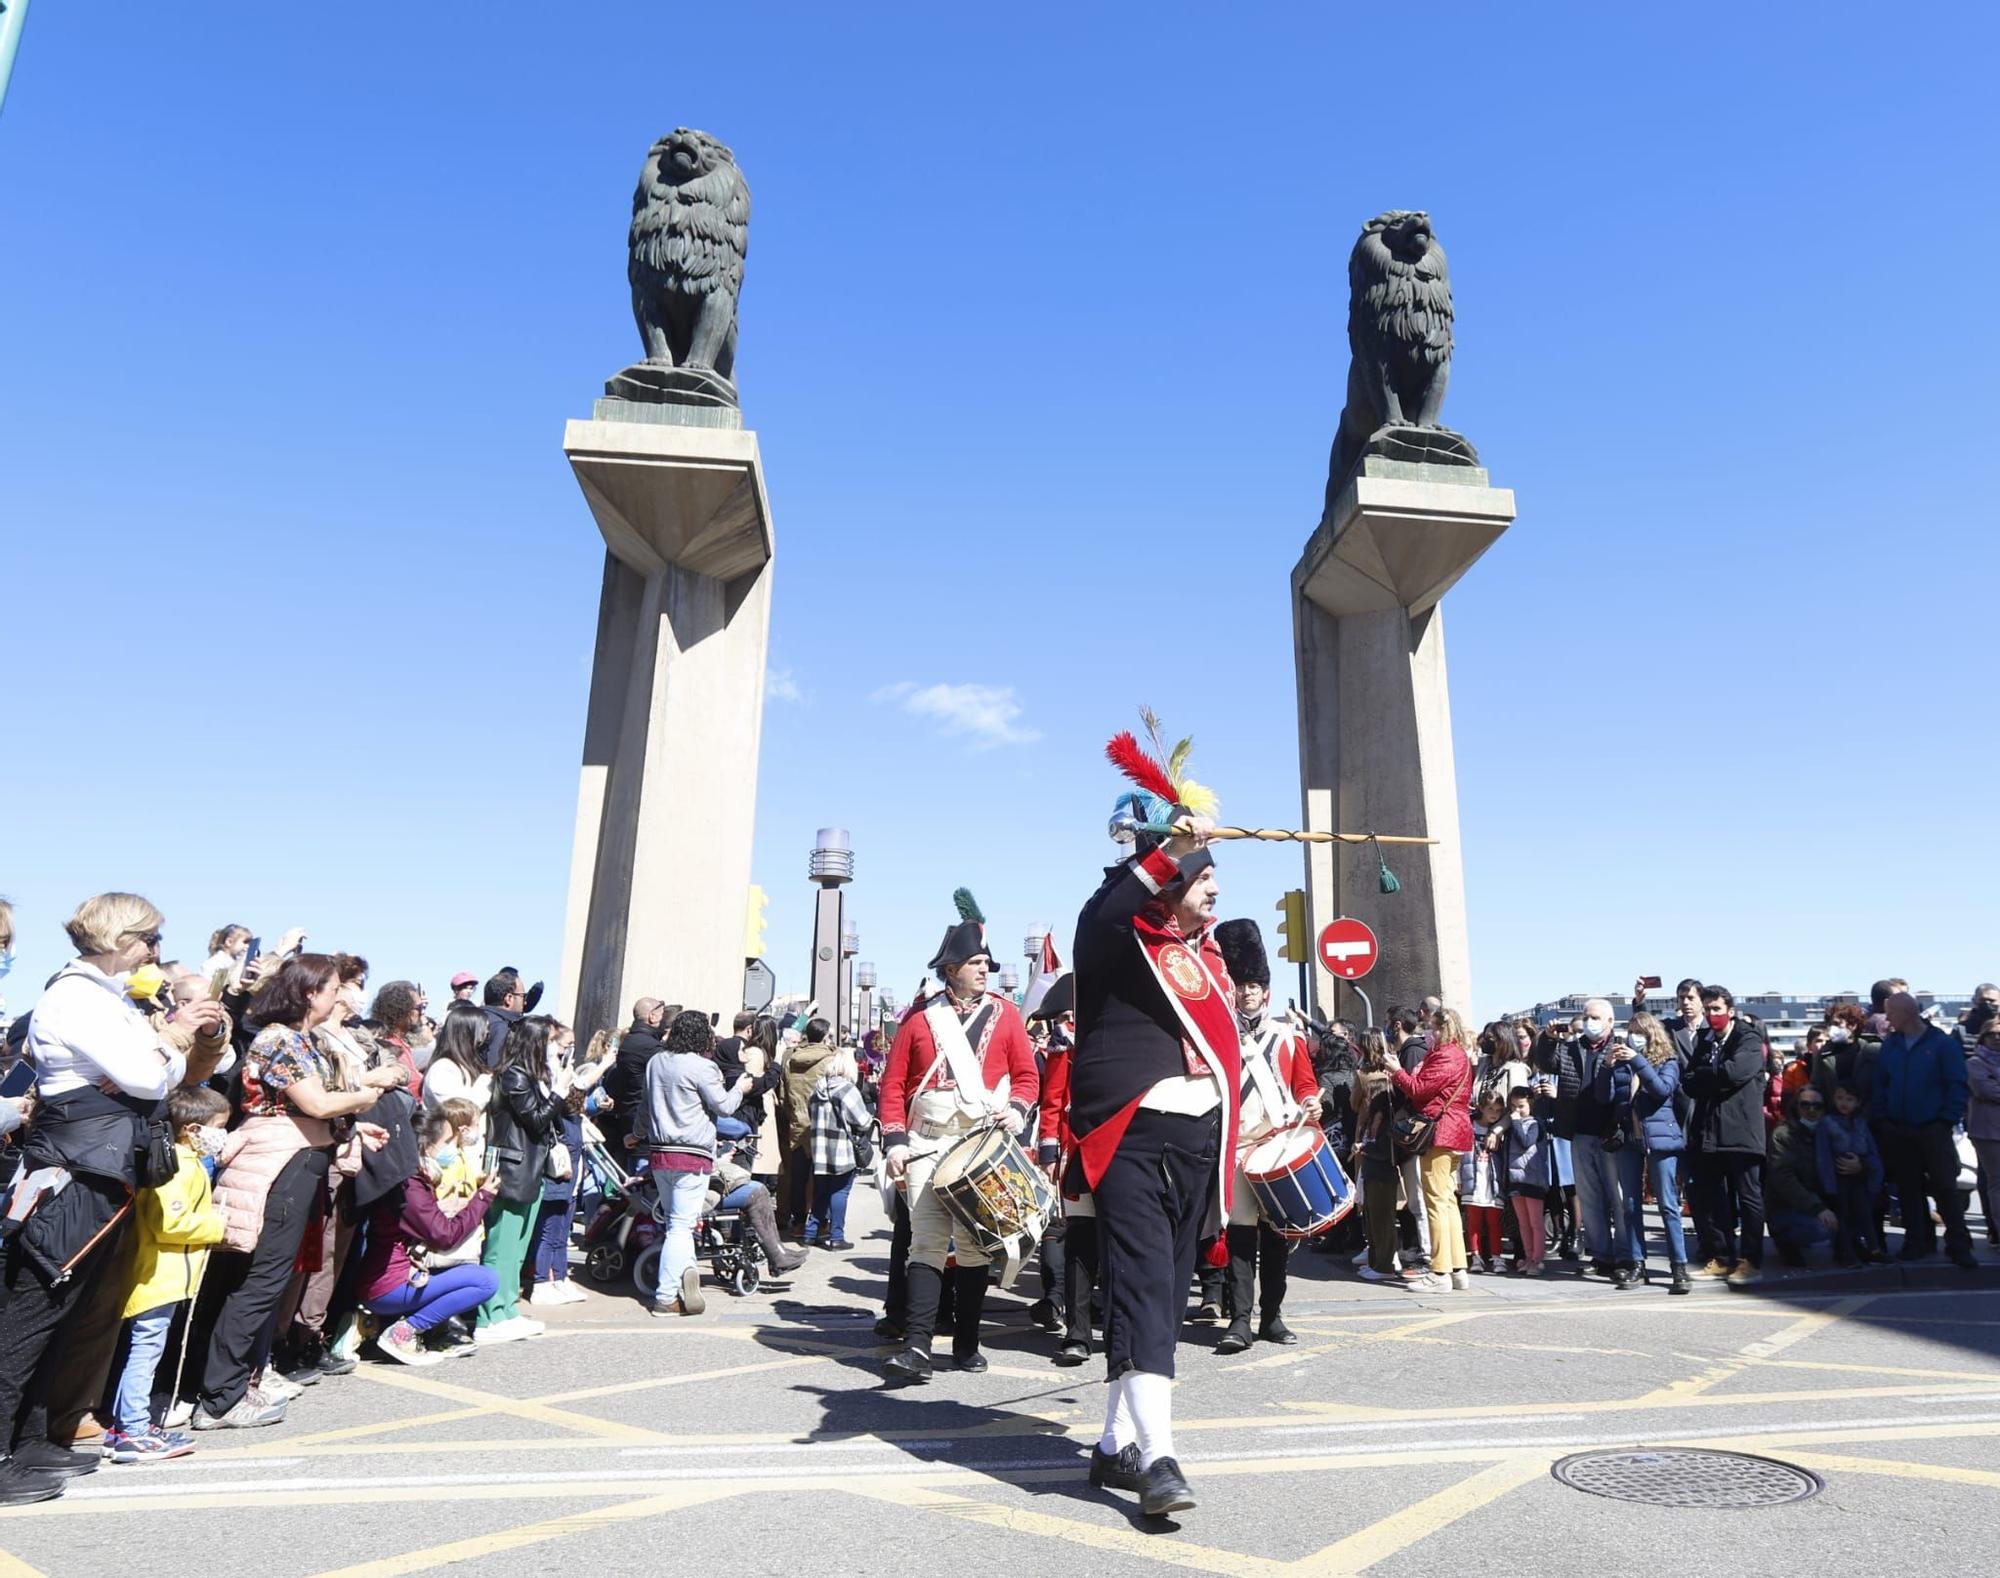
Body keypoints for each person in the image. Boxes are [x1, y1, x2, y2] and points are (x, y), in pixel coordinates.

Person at [1066, 735, 1234, 1519]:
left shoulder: (1204, 961)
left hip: (1197, 1139)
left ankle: (1110, 1446)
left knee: (1159, 1298)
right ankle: (1161, 1458)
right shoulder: (1110, 937)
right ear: (1165, 881)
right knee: (1141, 1282)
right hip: (1130, 1134)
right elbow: (1114, 904)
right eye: (1203, 875)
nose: (1214, 886)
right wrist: (1173, 845)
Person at [197, 954, 395, 1428]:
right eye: (331, 988)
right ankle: (219, 1397)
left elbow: (312, 1111)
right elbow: (316, 1102)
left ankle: (241, 1382)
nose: (339, 996)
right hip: (279, 1165)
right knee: (259, 1280)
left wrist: (352, 1129)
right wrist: (369, 1096)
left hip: (298, 1159)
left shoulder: (297, 1039)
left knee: (271, 1278)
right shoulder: (279, 1039)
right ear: (309, 993)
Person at [878, 893, 1038, 1382]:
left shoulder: (1007, 1015)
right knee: (925, 1244)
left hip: (980, 1144)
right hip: (928, 1143)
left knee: (973, 1249)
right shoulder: (921, 1019)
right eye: (974, 963)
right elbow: (893, 1084)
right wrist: (895, 1141)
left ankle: (967, 1344)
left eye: (986, 962)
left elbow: (1027, 1075)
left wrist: (1015, 1109)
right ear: (951, 969)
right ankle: (918, 1346)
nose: (984, 970)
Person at [1210, 920, 1321, 1353]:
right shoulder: (1220, 1037)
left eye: (1254, 985)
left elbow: (1305, 1085)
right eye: (1241, 985)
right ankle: (1239, 1320)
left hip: (1276, 1147)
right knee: (1240, 1239)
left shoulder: (1286, 1037)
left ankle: (1272, 1316)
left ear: (1266, 992)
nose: (1247, 992)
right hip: (1237, 1150)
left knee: (1276, 1239)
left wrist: (1311, 1101)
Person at [103, 1084, 227, 1463]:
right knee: (146, 1350)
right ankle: (132, 1430)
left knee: (145, 1349)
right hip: (161, 1274)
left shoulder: (180, 1161)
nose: (221, 1135)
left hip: (167, 1273)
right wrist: (216, 1225)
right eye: (218, 1126)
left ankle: (127, 1425)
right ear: (191, 1129)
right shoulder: (176, 1167)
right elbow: (169, 1223)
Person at [644, 1010, 796, 1316]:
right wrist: (740, 1087)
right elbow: (724, 1106)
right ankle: (665, 1295)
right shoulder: (704, 1067)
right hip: (692, 1153)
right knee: (681, 1226)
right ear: (702, 1036)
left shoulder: (655, 1062)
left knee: (678, 1223)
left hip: (660, 1151)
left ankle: (685, 1281)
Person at [476, 1015, 569, 1339]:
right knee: (501, 1246)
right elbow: (537, 1119)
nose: (553, 1049)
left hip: (530, 1167)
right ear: (534, 1042)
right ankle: (489, 1315)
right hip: (513, 1169)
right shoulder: (513, 1076)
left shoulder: (528, 1076)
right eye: (548, 1041)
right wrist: (557, 1092)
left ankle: (508, 1308)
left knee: (517, 1247)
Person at [1872, 991, 1976, 1269]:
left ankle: (1959, 1245)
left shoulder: (1941, 1044)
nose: (1887, 1018)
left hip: (1933, 1127)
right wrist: (1884, 1119)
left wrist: (1945, 1120)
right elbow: (1881, 1083)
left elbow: (1956, 1084)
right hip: (1899, 1127)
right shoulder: (1891, 1045)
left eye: (1891, 1013)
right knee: (1908, 1189)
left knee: (1945, 1189)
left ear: (1906, 1012)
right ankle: (1917, 1242)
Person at [1683, 985, 1768, 1288]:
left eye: (1716, 1009)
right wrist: (1711, 1076)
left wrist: (1709, 1076)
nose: (1711, 1015)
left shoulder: (1748, 1036)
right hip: (1710, 1132)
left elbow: (1735, 1073)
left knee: (1748, 1197)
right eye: (1707, 1010)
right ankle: (1721, 1257)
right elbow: (1689, 1081)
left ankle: (1751, 1260)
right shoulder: (1706, 1040)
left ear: (1729, 1010)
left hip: (1742, 1131)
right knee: (1710, 1198)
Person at [1392, 1007, 1474, 1292]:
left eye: (1432, 1028)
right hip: (1456, 1131)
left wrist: (1396, 1071)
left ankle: (1439, 1272)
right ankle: (1457, 1269)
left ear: (1444, 1029)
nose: (1429, 1033)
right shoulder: (1458, 1055)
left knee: (1436, 1204)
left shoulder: (1444, 1055)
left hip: (1441, 1133)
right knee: (1448, 1202)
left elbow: (1418, 1089)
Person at [1562, 999, 1639, 1285]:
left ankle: (1623, 1255)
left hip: (1609, 1134)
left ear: (1609, 1021)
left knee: (1617, 1197)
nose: (1589, 1022)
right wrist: (1547, 1039)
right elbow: (1546, 1060)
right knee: (1590, 1198)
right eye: (1586, 1016)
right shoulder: (1573, 1047)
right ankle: (1601, 1255)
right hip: (1581, 1132)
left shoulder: (1619, 1048)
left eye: (1595, 1017)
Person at [529, 1022, 594, 1307]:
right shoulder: (547, 1077)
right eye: (563, 1045)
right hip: (558, 1163)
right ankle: (542, 1281)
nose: (567, 1051)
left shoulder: (560, 1074)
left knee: (563, 1225)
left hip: (571, 1163)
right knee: (550, 1224)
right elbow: (564, 1097)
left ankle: (560, 1279)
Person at [1628, 1011, 1692, 1292]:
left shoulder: (1669, 1062)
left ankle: (1679, 1267)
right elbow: (1609, 1096)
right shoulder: (1626, 1061)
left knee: (1668, 1205)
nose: (1633, 1037)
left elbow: (1661, 1089)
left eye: (1639, 1032)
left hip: (1661, 1139)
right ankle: (1636, 1264)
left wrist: (1637, 1061)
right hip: (1632, 1138)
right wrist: (1610, 1068)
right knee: (1630, 1205)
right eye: (1630, 1031)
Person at [804, 1049, 873, 1250]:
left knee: (821, 1192)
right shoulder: (847, 1090)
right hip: (841, 1149)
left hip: (819, 1149)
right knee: (840, 1192)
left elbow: (810, 1114)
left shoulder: (817, 1090)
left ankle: (810, 1232)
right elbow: (863, 1121)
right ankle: (836, 1236)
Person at [777, 1017, 839, 1235]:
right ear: (824, 1036)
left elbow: (782, 1094)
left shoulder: (789, 1057)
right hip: (824, 1123)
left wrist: (793, 1113)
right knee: (823, 1175)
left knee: (798, 1176)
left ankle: (799, 1222)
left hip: (797, 1122)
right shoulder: (832, 1059)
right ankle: (821, 1222)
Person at [1815, 1082, 1888, 1263]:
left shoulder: (1861, 1123)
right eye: (1840, 1098)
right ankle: (1845, 1251)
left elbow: (1871, 1150)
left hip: (1859, 1175)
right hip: (1838, 1175)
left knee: (1864, 1212)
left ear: (1858, 1102)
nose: (1844, 1103)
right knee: (1843, 1214)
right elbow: (1823, 1155)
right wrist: (1828, 1185)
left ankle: (1874, 1248)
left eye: (1849, 1099)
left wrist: (1870, 1170)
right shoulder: (1826, 1123)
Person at [1766, 1088, 1840, 1265]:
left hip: (1822, 1198)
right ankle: (1785, 1240)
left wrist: (1860, 1164)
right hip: (1787, 1205)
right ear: (1796, 1107)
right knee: (1821, 1228)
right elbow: (1784, 1180)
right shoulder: (1783, 1134)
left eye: (1817, 1106)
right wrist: (1818, 1208)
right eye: (1805, 1105)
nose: (1811, 1110)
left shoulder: (1831, 1133)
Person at [1352, 1033, 1403, 1284]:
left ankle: (1384, 1263)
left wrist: (1364, 1147)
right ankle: (1376, 1260)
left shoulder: (1385, 1123)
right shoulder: (1375, 1120)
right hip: (1373, 1169)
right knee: (1373, 1215)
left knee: (1382, 1218)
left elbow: (1382, 1148)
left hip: (1381, 1170)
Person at [599, 998, 666, 1156]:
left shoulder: (630, 1041)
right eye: (662, 1015)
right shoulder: (650, 1046)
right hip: (643, 1126)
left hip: (631, 1120)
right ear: (652, 1016)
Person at [1503, 1086, 1553, 1275]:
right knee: (1523, 1223)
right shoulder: (1513, 1123)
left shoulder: (1535, 1124)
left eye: (1521, 1106)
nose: (1517, 1110)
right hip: (1517, 1180)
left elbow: (1526, 1142)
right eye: (1513, 1106)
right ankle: (1528, 1255)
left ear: (1530, 1105)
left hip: (1533, 1180)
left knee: (1535, 1223)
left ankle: (1537, 1259)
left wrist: (1515, 1122)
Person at [1460, 1092, 1508, 1273]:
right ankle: (1476, 1257)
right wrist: (1458, 1178)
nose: (1494, 1113)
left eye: (1498, 1110)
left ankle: (1497, 1257)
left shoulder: (1500, 1130)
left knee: (1494, 1222)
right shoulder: (1469, 1126)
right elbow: (1460, 1152)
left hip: (1492, 1183)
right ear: (1480, 1108)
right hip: (1473, 1181)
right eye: (1490, 1109)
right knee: (1474, 1223)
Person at [421, 1001, 494, 1118]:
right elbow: (459, 1112)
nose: (487, 1033)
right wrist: (487, 1082)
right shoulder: (442, 1069)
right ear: (467, 1031)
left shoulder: (468, 1064)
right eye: (483, 1028)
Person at [1964, 1015, 2000, 1249]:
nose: (1997, 1039)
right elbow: (1988, 1091)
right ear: (1983, 1037)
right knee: (1997, 1184)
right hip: (1988, 1132)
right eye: (1993, 1034)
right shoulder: (1975, 1063)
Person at [479, 970, 528, 1068]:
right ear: (509, 998)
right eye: (523, 996)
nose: (525, 1003)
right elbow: (497, 1071)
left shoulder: (471, 1018)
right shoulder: (503, 1027)